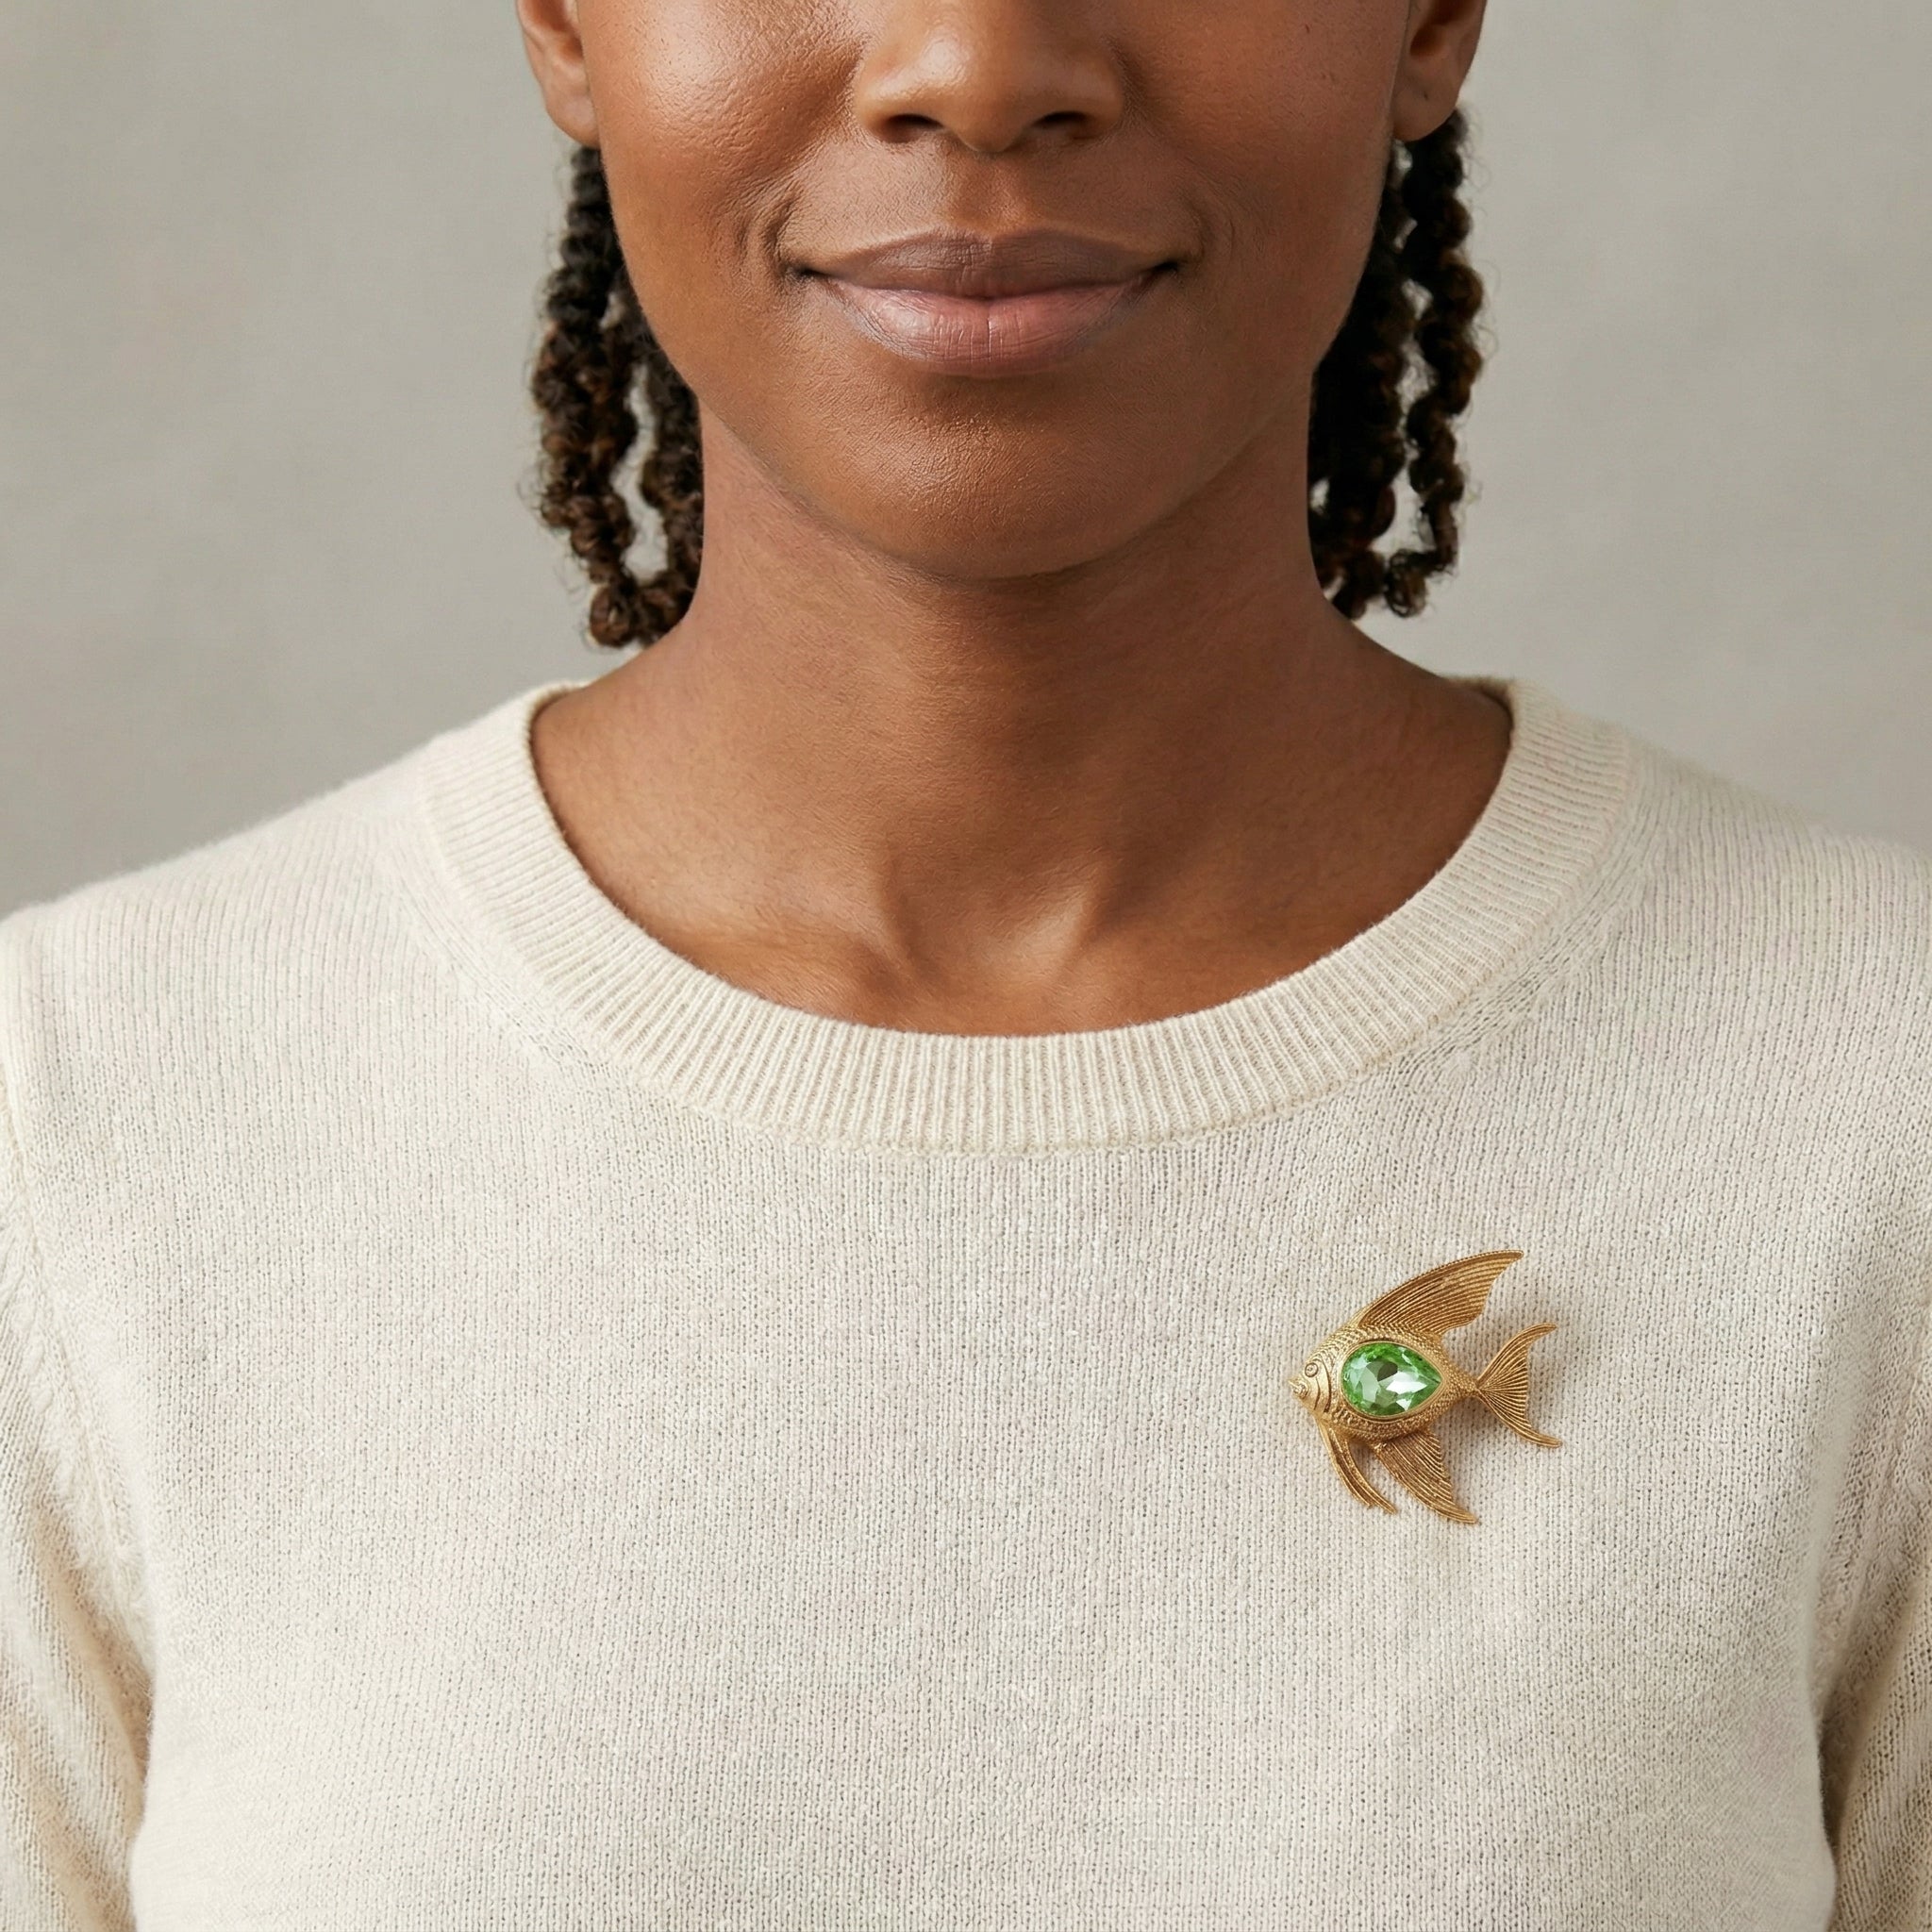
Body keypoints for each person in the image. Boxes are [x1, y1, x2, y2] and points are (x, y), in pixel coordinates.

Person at [2, 0, 1925, 1924]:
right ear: (566, 19)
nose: (980, 64)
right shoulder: (82, 1118)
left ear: (1426, 18)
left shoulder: (1871, 1091)